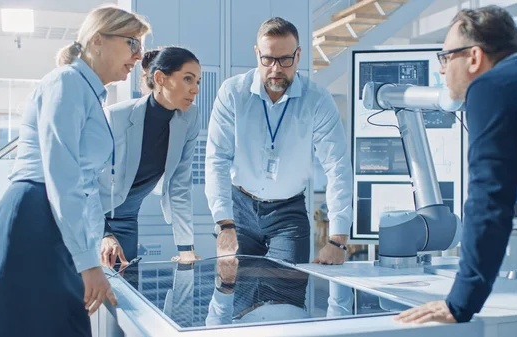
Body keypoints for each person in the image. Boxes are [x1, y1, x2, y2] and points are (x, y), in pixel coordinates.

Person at [397, 5, 517, 324]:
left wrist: (461, 302)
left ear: (473, 57)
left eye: (445, 57)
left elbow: (488, 200)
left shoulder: (490, 88)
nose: (441, 70)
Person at [0, 5, 150, 337]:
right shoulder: (66, 82)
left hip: (54, 220)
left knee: (64, 323)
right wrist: (87, 262)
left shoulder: (88, 92)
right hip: (34, 216)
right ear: (98, 40)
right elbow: (63, 176)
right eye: (132, 42)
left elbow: (82, 183)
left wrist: (92, 245)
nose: (139, 54)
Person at [205, 17, 353, 265]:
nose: (276, 69)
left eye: (285, 60)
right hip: (239, 209)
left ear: (298, 55)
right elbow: (217, 159)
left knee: (288, 295)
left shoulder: (317, 100)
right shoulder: (233, 93)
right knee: (237, 296)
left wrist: (337, 240)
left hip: (288, 214)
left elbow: (337, 166)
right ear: (257, 54)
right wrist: (224, 222)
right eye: (268, 59)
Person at [98, 47, 202, 269]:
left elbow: (179, 184)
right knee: (87, 294)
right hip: (94, 216)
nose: (195, 90)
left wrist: (186, 248)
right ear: (160, 78)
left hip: (127, 220)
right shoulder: (116, 117)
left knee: (126, 293)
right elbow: (83, 182)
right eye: (187, 79)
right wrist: (102, 233)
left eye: (198, 82)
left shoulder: (190, 117)